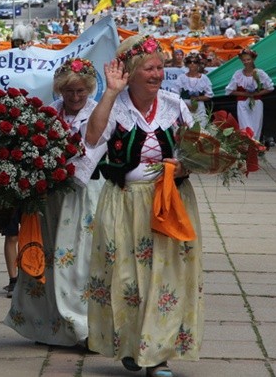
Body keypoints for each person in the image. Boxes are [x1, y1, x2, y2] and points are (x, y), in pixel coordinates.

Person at [85, 35, 202, 377]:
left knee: (165, 278)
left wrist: (186, 165)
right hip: (124, 202)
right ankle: (131, 345)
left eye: (160, 67)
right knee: (126, 278)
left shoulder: (174, 105)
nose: (157, 75)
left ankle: (158, 355)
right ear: (132, 73)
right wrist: (108, 92)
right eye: (150, 68)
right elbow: (92, 138)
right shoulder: (115, 105)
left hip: (169, 203)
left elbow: (196, 149)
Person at [4, 57, 105, 347]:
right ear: (60, 90)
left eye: (80, 92)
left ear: (89, 90)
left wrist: (58, 166)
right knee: (46, 257)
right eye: (69, 91)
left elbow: (90, 153)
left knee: (79, 261)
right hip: (49, 197)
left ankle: (84, 327)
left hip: (83, 195)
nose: (74, 97)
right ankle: (46, 325)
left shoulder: (99, 113)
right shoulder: (47, 113)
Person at [224, 48, 274, 141]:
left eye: (248, 59)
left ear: (253, 59)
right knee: (245, 127)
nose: (246, 62)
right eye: (244, 60)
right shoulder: (238, 74)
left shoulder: (260, 73)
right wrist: (245, 94)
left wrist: (255, 94)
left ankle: (255, 148)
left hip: (256, 102)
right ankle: (246, 148)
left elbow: (270, 87)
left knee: (256, 127)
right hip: (242, 103)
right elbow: (229, 90)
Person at [171, 54, 213, 124]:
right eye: (189, 62)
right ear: (187, 64)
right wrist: (185, 104)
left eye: (195, 62)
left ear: (198, 64)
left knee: (202, 127)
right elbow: (175, 94)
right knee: (187, 127)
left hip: (199, 107)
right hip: (185, 106)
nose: (192, 64)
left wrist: (197, 98)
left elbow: (209, 95)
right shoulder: (181, 78)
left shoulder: (204, 78)